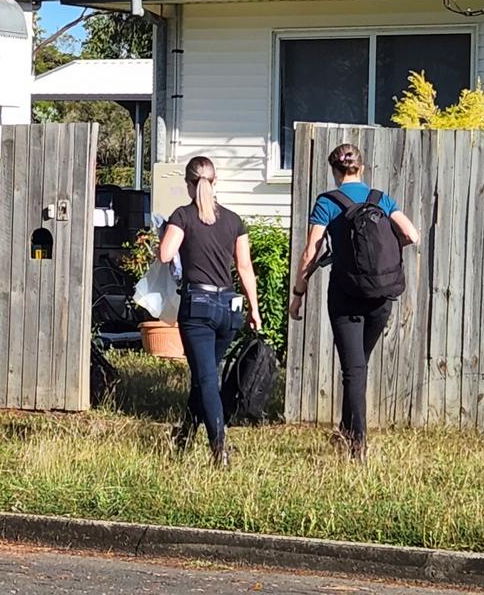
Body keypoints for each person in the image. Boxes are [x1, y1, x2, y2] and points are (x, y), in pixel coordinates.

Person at [288, 143, 419, 464]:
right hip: (381, 295)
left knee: (353, 369)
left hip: (345, 294)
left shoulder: (327, 203)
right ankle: (346, 432)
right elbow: (413, 235)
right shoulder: (380, 199)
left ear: (334, 171)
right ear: (362, 168)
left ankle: (357, 446)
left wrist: (298, 292)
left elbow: (311, 251)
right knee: (359, 367)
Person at [158, 156, 261, 466]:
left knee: (206, 380)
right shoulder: (234, 220)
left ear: (189, 184)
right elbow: (244, 267)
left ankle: (220, 450)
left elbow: (165, 254)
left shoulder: (182, 216)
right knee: (203, 377)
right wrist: (254, 309)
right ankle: (185, 436)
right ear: (215, 183)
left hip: (198, 308)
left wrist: (164, 234)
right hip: (229, 308)